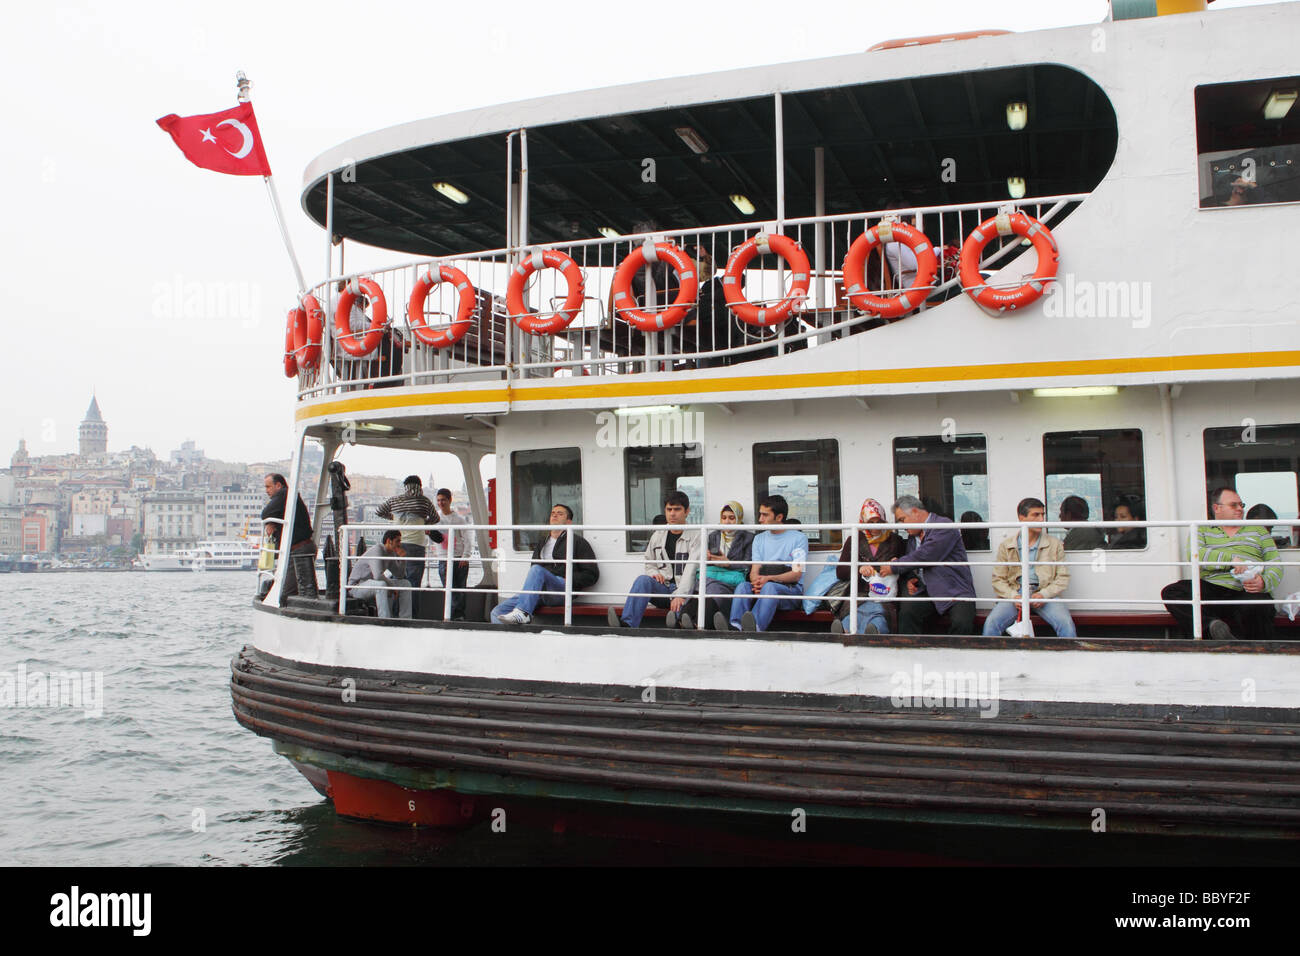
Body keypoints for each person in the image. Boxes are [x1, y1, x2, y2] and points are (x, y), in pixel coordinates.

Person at [1161, 487, 1283, 640]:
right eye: (1234, 505)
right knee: (1172, 592)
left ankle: (1257, 651)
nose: (1240, 509)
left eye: (1241, 505)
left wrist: (1263, 582)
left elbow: (1275, 564)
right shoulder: (1201, 529)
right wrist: (1231, 560)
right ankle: (1212, 629)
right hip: (1212, 588)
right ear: (1216, 508)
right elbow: (1195, 554)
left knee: (1258, 604)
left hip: (1246, 589)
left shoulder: (1259, 530)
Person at [879, 494, 976, 635]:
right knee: (907, 613)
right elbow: (914, 563)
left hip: (954, 590)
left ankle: (955, 655)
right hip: (928, 591)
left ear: (915, 512)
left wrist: (894, 566)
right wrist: (911, 579)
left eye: (902, 520)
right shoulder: (913, 538)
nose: (902, 526)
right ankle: (911, 653)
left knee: (962, 623)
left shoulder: (943, 526)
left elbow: (925, 555)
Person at [983, 497, 1076, 637]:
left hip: (1044, 593)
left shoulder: (1054, 544)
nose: (1041, 519)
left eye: (1042, 514)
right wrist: (1014, 596)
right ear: (1021, 517)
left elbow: (1062, 578)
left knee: (1066, 624)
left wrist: (1044, 595)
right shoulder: (1006, 545)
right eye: (1035, 515)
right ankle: (989, 658)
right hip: (1016, 593)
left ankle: (1071, 657)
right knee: (991, 623)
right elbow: (998, 580)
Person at [493, 504, 599, 624]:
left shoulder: (578, 542)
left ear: (568, 522)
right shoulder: (542, 542)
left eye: (560, 513)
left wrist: (567, 578)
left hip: (561, 589)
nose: (555, 515)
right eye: (553, 513)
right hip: (540, 591)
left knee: (537, 570)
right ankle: (512, 639)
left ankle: (523, 612)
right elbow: (534, 568)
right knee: (497, 612)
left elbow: (592, 575)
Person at [608, 491, 701, 629]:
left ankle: (678, 625)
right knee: (643, 580)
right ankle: (627, 624)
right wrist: (653, 573)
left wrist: (681, 595)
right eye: (669, 510)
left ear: (687, 511)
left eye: (677, 509)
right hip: (665, 588)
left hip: (686, 590)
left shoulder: (697, 535)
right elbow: (649, 561)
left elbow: (692, 570)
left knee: (684, 601)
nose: (672, 514)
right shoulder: (658, 535)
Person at [722, 494, 809, 632]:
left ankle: (754, 627)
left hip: (790, 591)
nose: (760, 519)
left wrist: (768, 580)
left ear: (779, 517)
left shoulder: (799, 538)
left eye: (765, 515)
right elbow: (755, 570)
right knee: (743, 587)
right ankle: (735, 626)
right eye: (760, 514)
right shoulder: (759, 539)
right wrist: (757, 582)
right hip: (764, 585)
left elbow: (796, 574)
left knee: (770, 588)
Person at [830, 498, 907, 635]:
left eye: (879, 522)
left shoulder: (896, 541)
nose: (875, 526)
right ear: (863, 522)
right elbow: (840, 572)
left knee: (879, 614)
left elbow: (905, 566)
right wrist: (859, 569)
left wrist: (897, 563)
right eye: (871, 522)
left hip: (884, 593)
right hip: (859, 594)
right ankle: (846, 630)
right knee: (853, 613)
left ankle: (873, 630)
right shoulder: (854, 539)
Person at [677, 501, 754, 630]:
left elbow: (748, 566)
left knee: (709, 593)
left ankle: (692, 623)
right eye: (724, 518)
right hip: (712, 577)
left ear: (739, 519)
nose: (727, 522)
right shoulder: (714, 536)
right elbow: (707, 559)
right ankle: (682, 620)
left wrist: (728, 563)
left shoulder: (749, 538)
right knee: (701, 590)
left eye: (731, 518)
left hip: (730, 582)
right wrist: (709, 558)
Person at [375, 476, 439, 589]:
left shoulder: (394, 500)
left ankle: (396, 606)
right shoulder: (424, 501)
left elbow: (379, 511)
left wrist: (393, 517)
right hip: (416, 544)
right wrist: (424, 523)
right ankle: (413, 607)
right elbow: (435, 518)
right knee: (414, 581)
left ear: (405, 487)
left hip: (397, 543)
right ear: (420, 486)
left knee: (397, 578)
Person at [261, 472, 314, 597]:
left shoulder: (284, 494)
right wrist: (272, 521)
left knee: (286, 592)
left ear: (278, 485)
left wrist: (270, 521)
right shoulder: (288, 498)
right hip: (301, 548)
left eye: (268, 487)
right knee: (298, 587)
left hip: (298, 550)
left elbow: (266, 513)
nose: (266, 491)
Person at [346, 529, 412, 619]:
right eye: (398, 541)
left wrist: (403, 559)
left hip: (373, 584)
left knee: (405, 584)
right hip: (357, 586)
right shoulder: (377, 550)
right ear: (389, 541)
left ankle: (406, 619)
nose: (399, 544)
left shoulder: (391, 554)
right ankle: (385, 619)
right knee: (382, 584)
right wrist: (391, 586)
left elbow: (399, 575)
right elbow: (378, 576)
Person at [432, 487, 471, 619]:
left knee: (460, 590)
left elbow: (467, 539)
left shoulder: (459, 519)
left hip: (459, 558)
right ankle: (452, 616)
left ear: (450, 500)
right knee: (450, 590)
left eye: (443, 500)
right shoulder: (435, 518)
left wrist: (465, 557)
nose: (440, 503)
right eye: (438, 500)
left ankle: (458, 617)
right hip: (444, 559)